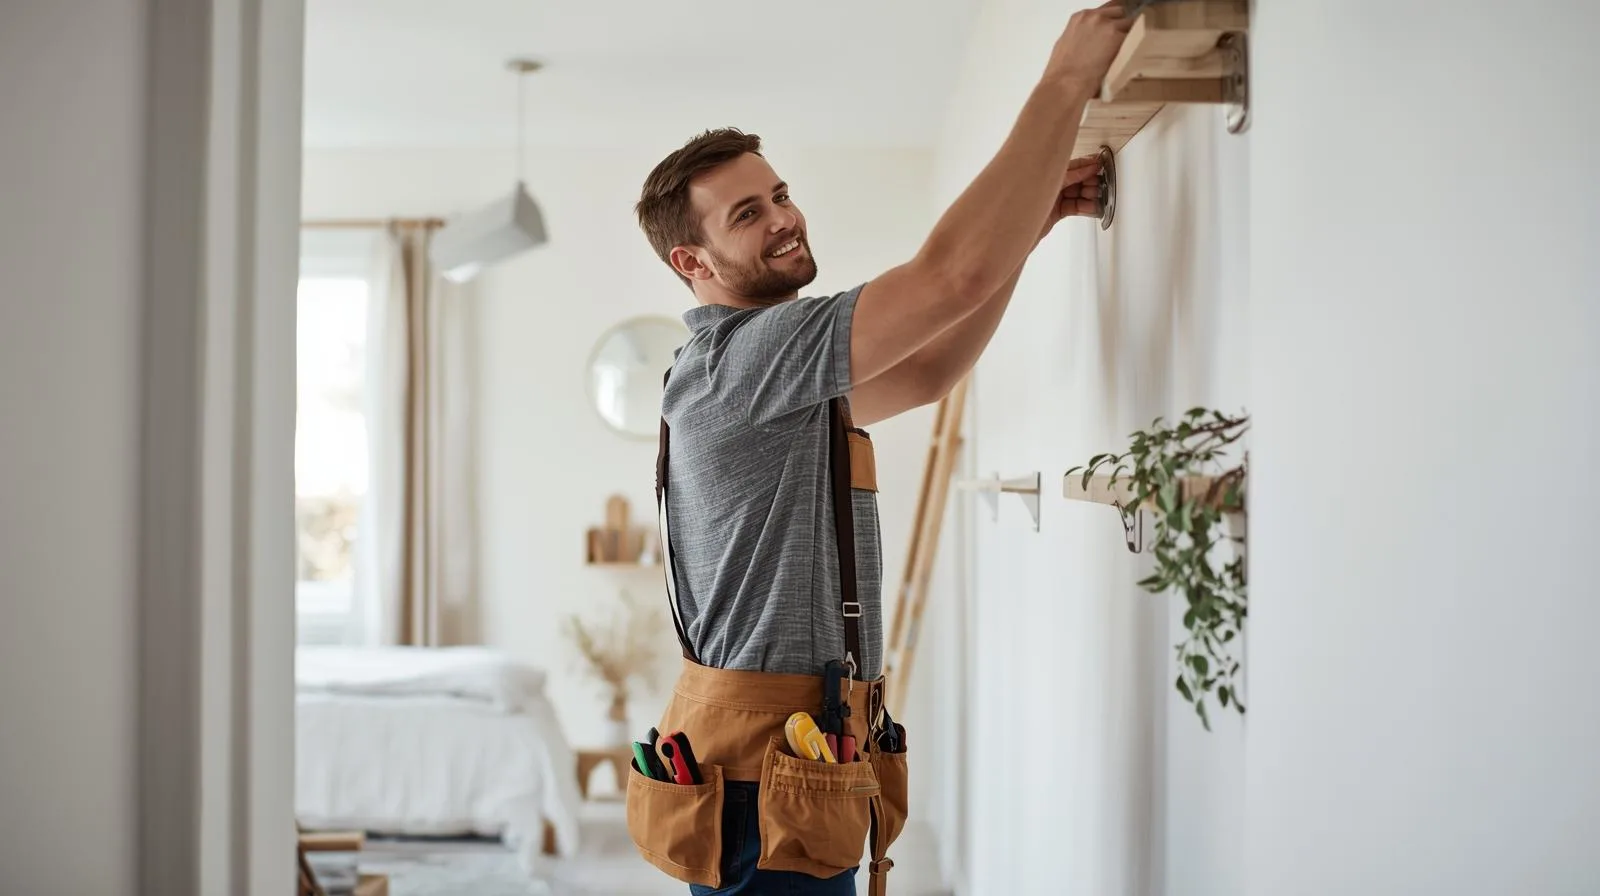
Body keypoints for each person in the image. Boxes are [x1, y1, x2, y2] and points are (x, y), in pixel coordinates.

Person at [627, 5, 1132, 894]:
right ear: (691, 263)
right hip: (760, 784)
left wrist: (1027, 228)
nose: (785, 218)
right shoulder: (749, 358)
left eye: (780, 194)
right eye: (748, 214)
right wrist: (1065, 78)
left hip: (785, 764)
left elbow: (930, 368)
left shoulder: (766, 382)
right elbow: (948, 277)